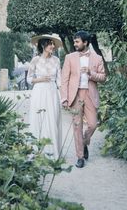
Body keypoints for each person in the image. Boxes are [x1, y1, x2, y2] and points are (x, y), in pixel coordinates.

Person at [60, 30, 107, 168]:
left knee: (93, 124)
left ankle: (85, 142)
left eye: (77, 41)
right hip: (75, 95)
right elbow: (64, 80)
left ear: (85, 42)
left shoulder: (97, 58)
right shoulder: (69, 58)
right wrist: (64, 98)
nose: (75, 44)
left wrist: (90, 73)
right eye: (74, 41)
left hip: (90, 94)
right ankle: (80, 156)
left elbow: (103, 77)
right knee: (77, 126)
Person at [26, 34, 63, 159]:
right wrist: (40, 79)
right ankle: (37, 152)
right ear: (43, 45)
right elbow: (29, 79)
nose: (53, 46)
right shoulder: (35, 60)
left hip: (52, 92)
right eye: (50, 43)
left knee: (52, 119)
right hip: (39, 92)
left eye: (53, 44)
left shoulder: (56, 60)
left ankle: (51, 152)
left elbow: (60, 81)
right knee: (38, 119)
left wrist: (64, 97)